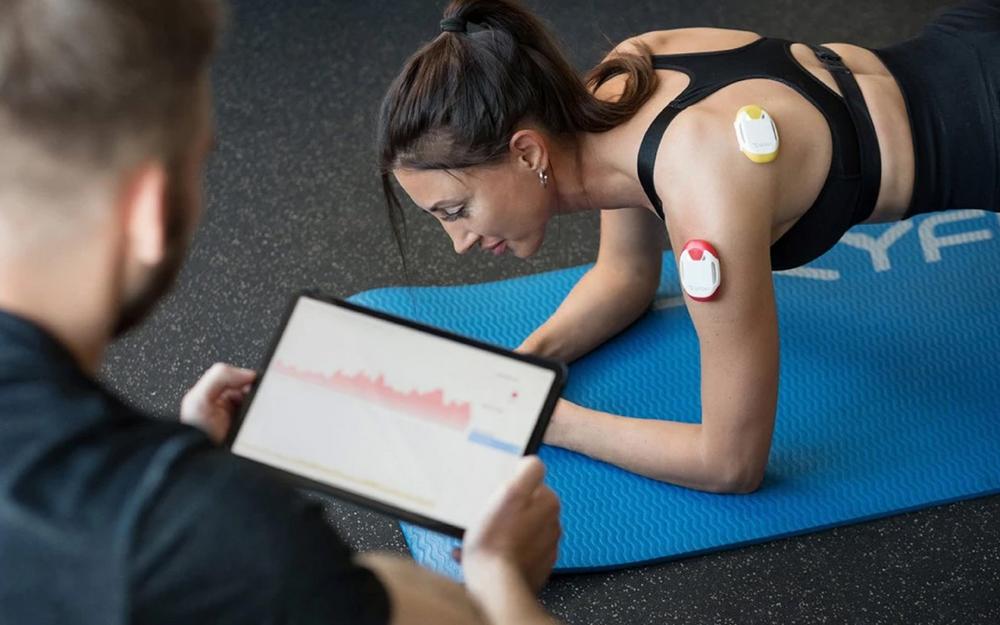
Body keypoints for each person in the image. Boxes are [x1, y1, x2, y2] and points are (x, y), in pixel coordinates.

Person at [0, 1, 562, 624]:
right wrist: (498, 575)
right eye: (200, 163)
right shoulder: (227, 542)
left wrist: (192, 462)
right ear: (150, 211)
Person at [377, 0, 1000, 493]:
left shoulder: (702, 187)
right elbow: (626, 278)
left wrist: (549, 419)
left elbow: (731, 463)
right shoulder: (621, 78)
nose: (459, 241)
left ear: (526, 152)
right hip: (965, 38)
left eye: (456, 211)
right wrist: (525, 365)